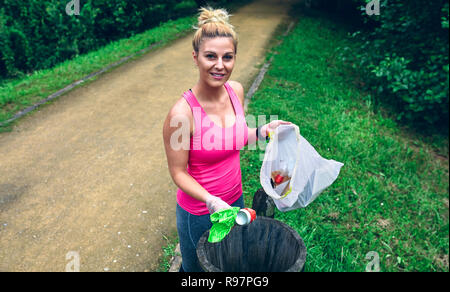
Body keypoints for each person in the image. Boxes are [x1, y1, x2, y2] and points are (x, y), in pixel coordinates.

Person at [162, 6, 290, 272]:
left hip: (234, 200)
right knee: (196, 270)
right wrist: (210, 200)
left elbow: (234, 140)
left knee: (228, 263)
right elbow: (178, 172)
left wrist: (262, 131)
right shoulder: (181, 114)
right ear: (195, 57)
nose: (220, 65)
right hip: (199, 211)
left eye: (227, 57)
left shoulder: (236, 92)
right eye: (211, 56)